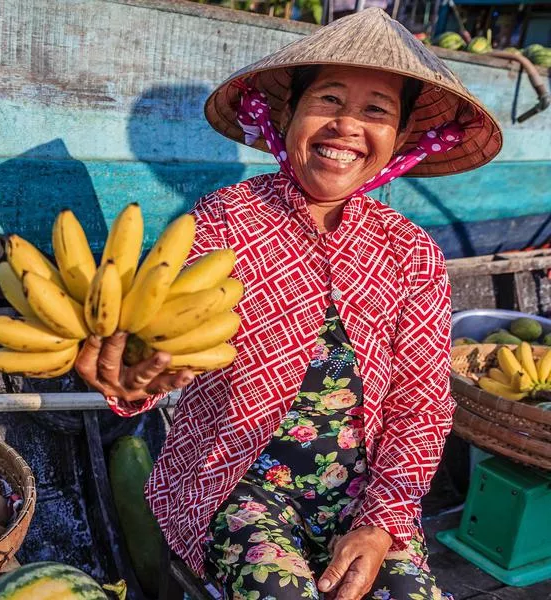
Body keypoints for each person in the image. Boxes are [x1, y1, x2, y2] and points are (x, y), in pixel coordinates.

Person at [76, 8, 501, 600]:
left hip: (364, 493)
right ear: (288, 116)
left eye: (376, 110)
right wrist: (131, 380)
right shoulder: (221, 221)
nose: (348, 126)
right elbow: (165, 347)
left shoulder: (412, 252)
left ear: (400, 138)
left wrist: (381, 524)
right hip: (234, 485)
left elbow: (421, 407)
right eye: (328, 101)